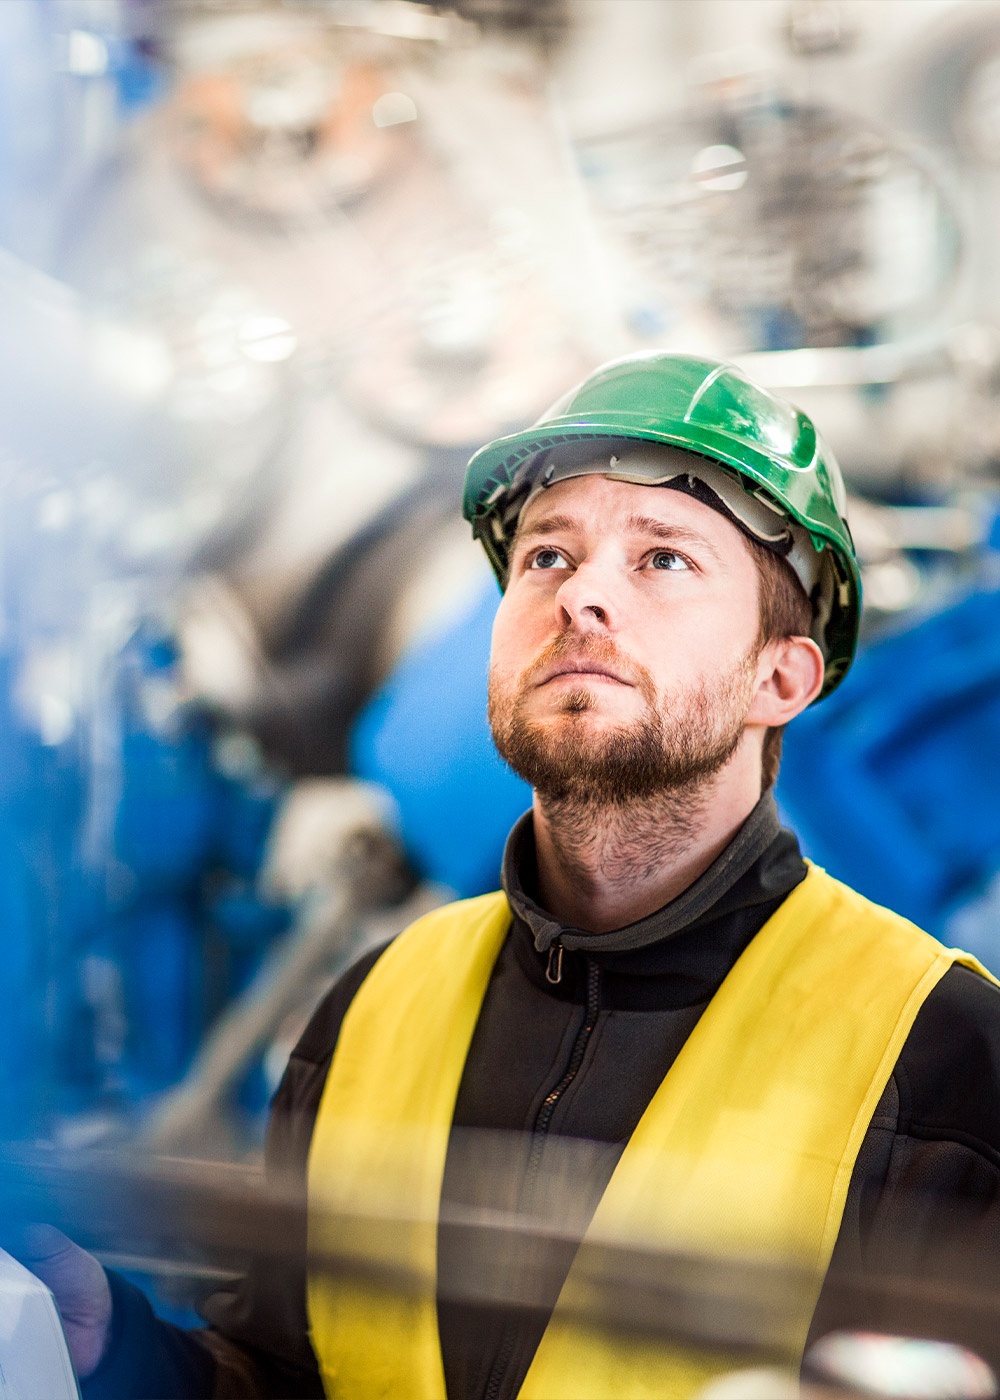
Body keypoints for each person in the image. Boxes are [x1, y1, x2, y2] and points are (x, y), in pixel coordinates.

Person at [30, 353, 1000, 1399]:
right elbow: (278, 1375)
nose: (581, 593)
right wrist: (110, 1343)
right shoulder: (373, 1002)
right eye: (546, 555)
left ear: (781, 675)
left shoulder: (942, 1053)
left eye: (663, 559)